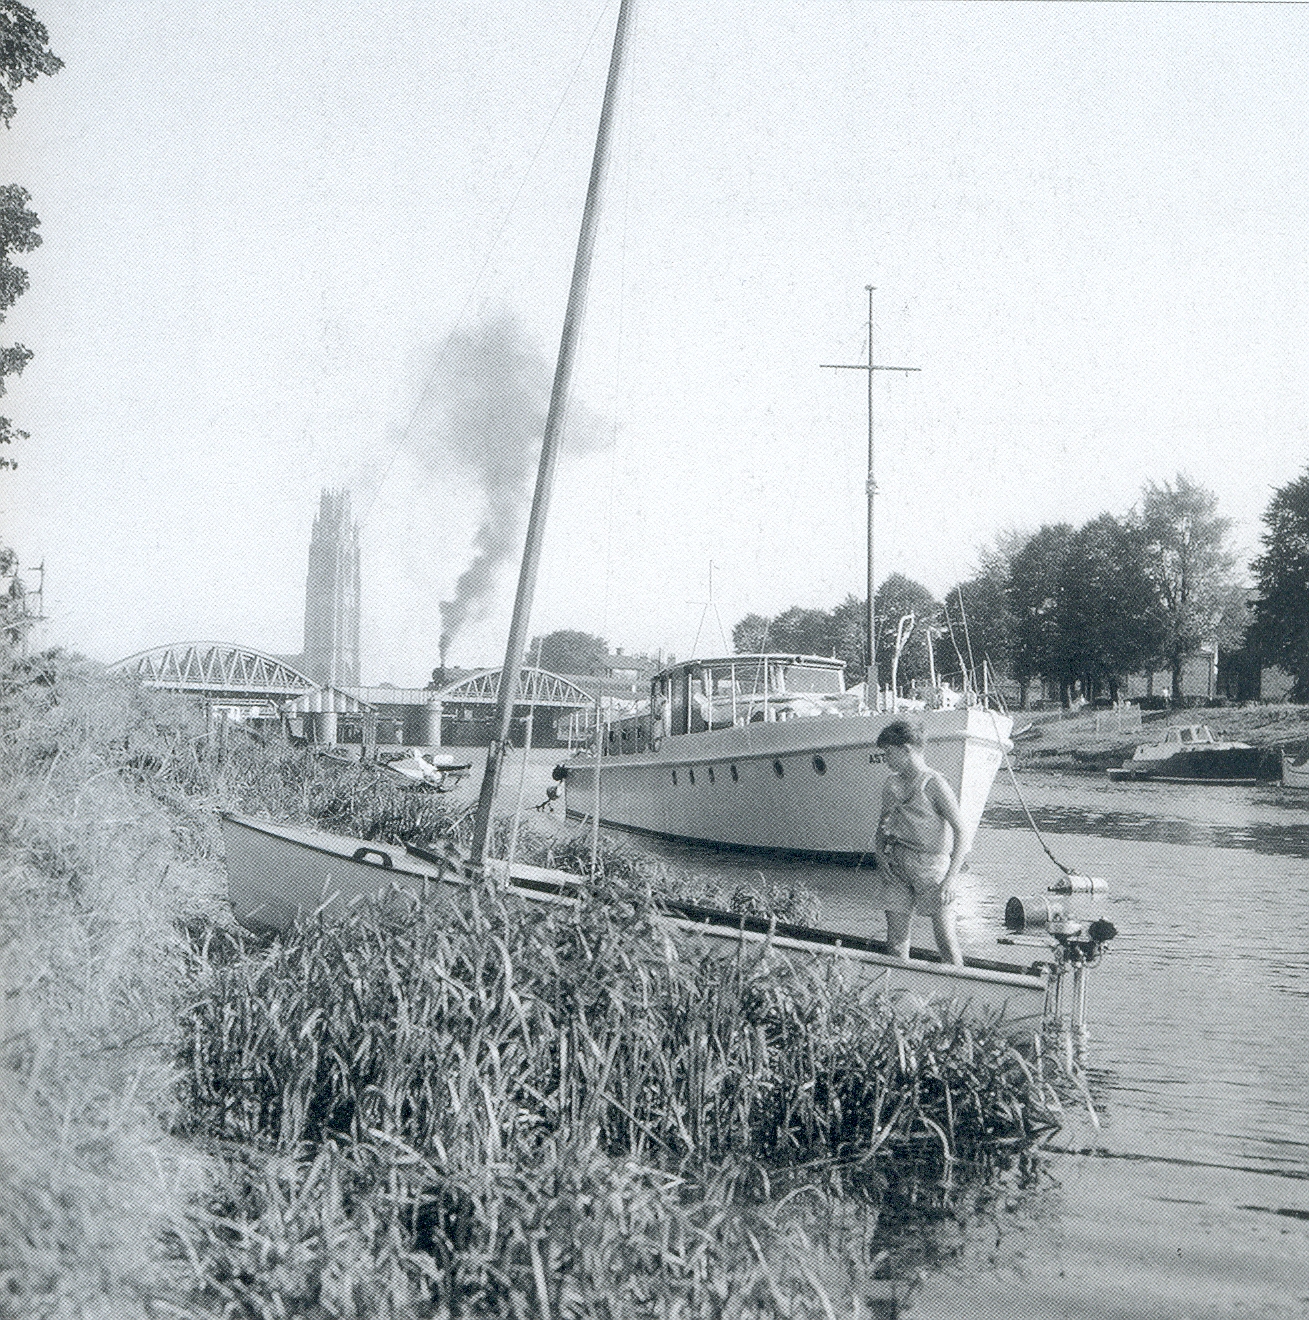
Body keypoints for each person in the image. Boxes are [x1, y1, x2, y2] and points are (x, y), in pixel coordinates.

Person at [872, 718, 970, 965]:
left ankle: (960, 988)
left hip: (931, 867)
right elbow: (882, 828)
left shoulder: (934, 783)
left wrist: (950, 879)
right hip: (897, 864)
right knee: (895, 941)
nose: (886, 759)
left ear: (906, 750)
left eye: (889, 753)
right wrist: (880, 856)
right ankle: (896, 993)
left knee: (946, 940)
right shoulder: (891, 784)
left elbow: (961, 832)